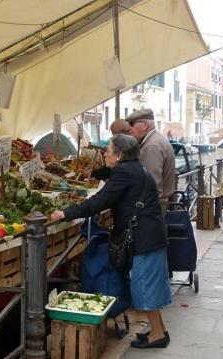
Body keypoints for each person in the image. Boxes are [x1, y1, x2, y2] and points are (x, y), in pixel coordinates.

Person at [50, 134, 172, 349]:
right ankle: (158, 330)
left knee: (144, 287)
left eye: (108, 150)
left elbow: (100, 200)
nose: (105, 153)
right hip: (150, 235)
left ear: (120, 154)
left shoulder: (125, 172)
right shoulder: (134, 168)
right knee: (148, 285)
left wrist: (66, 213)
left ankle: (158, 335)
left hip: (146, 237)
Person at [126, 109, 175, 212]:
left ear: (144, 125)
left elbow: (152, 185)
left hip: (152, 206)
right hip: (157, 203)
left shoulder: (152, 146)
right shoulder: (156, 140)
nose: (129, 128)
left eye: (131, 123)